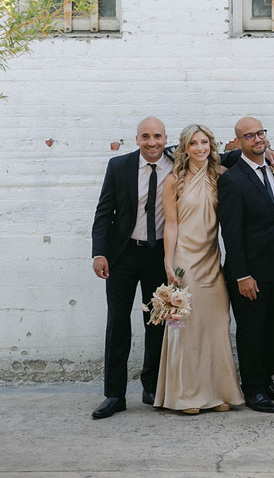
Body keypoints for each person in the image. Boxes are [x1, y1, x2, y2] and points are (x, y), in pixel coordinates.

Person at [155, 124, 243, 414]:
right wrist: (168, 262)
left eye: (204, 142)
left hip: (211, 259)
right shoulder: (174, 180)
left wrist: (270, 157)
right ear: (185, 148)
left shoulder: (220, 175)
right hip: (185, 259)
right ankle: (187, 395)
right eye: (193, 143)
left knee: (217, 322)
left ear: (211, 145)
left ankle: (218, 392)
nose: (200, 148)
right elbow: (170, 224)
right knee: (189, 325)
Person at [90, 117, 172, 419]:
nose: (152, 142)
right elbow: (104, 212)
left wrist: (267, 151)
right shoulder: (119, 166)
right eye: (145, 136)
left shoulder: (177, 162)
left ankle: (152, 388)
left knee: (157, 322)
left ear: (166, 138)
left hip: (158, 254)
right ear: (137, 139)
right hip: (122, 255)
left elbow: (217, 155)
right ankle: (114, 395)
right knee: (118, 323)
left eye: (157, 136)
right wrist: (99, 253)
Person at [218, 117, 274, 413]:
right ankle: (253, 389)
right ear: (238, 142)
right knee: (252, 330)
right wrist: (242, 274)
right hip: (250, 272)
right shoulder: (232, 180)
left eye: (260, 133)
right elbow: (231, 232)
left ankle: (266, 380)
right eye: (249, 136)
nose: (257, 139)